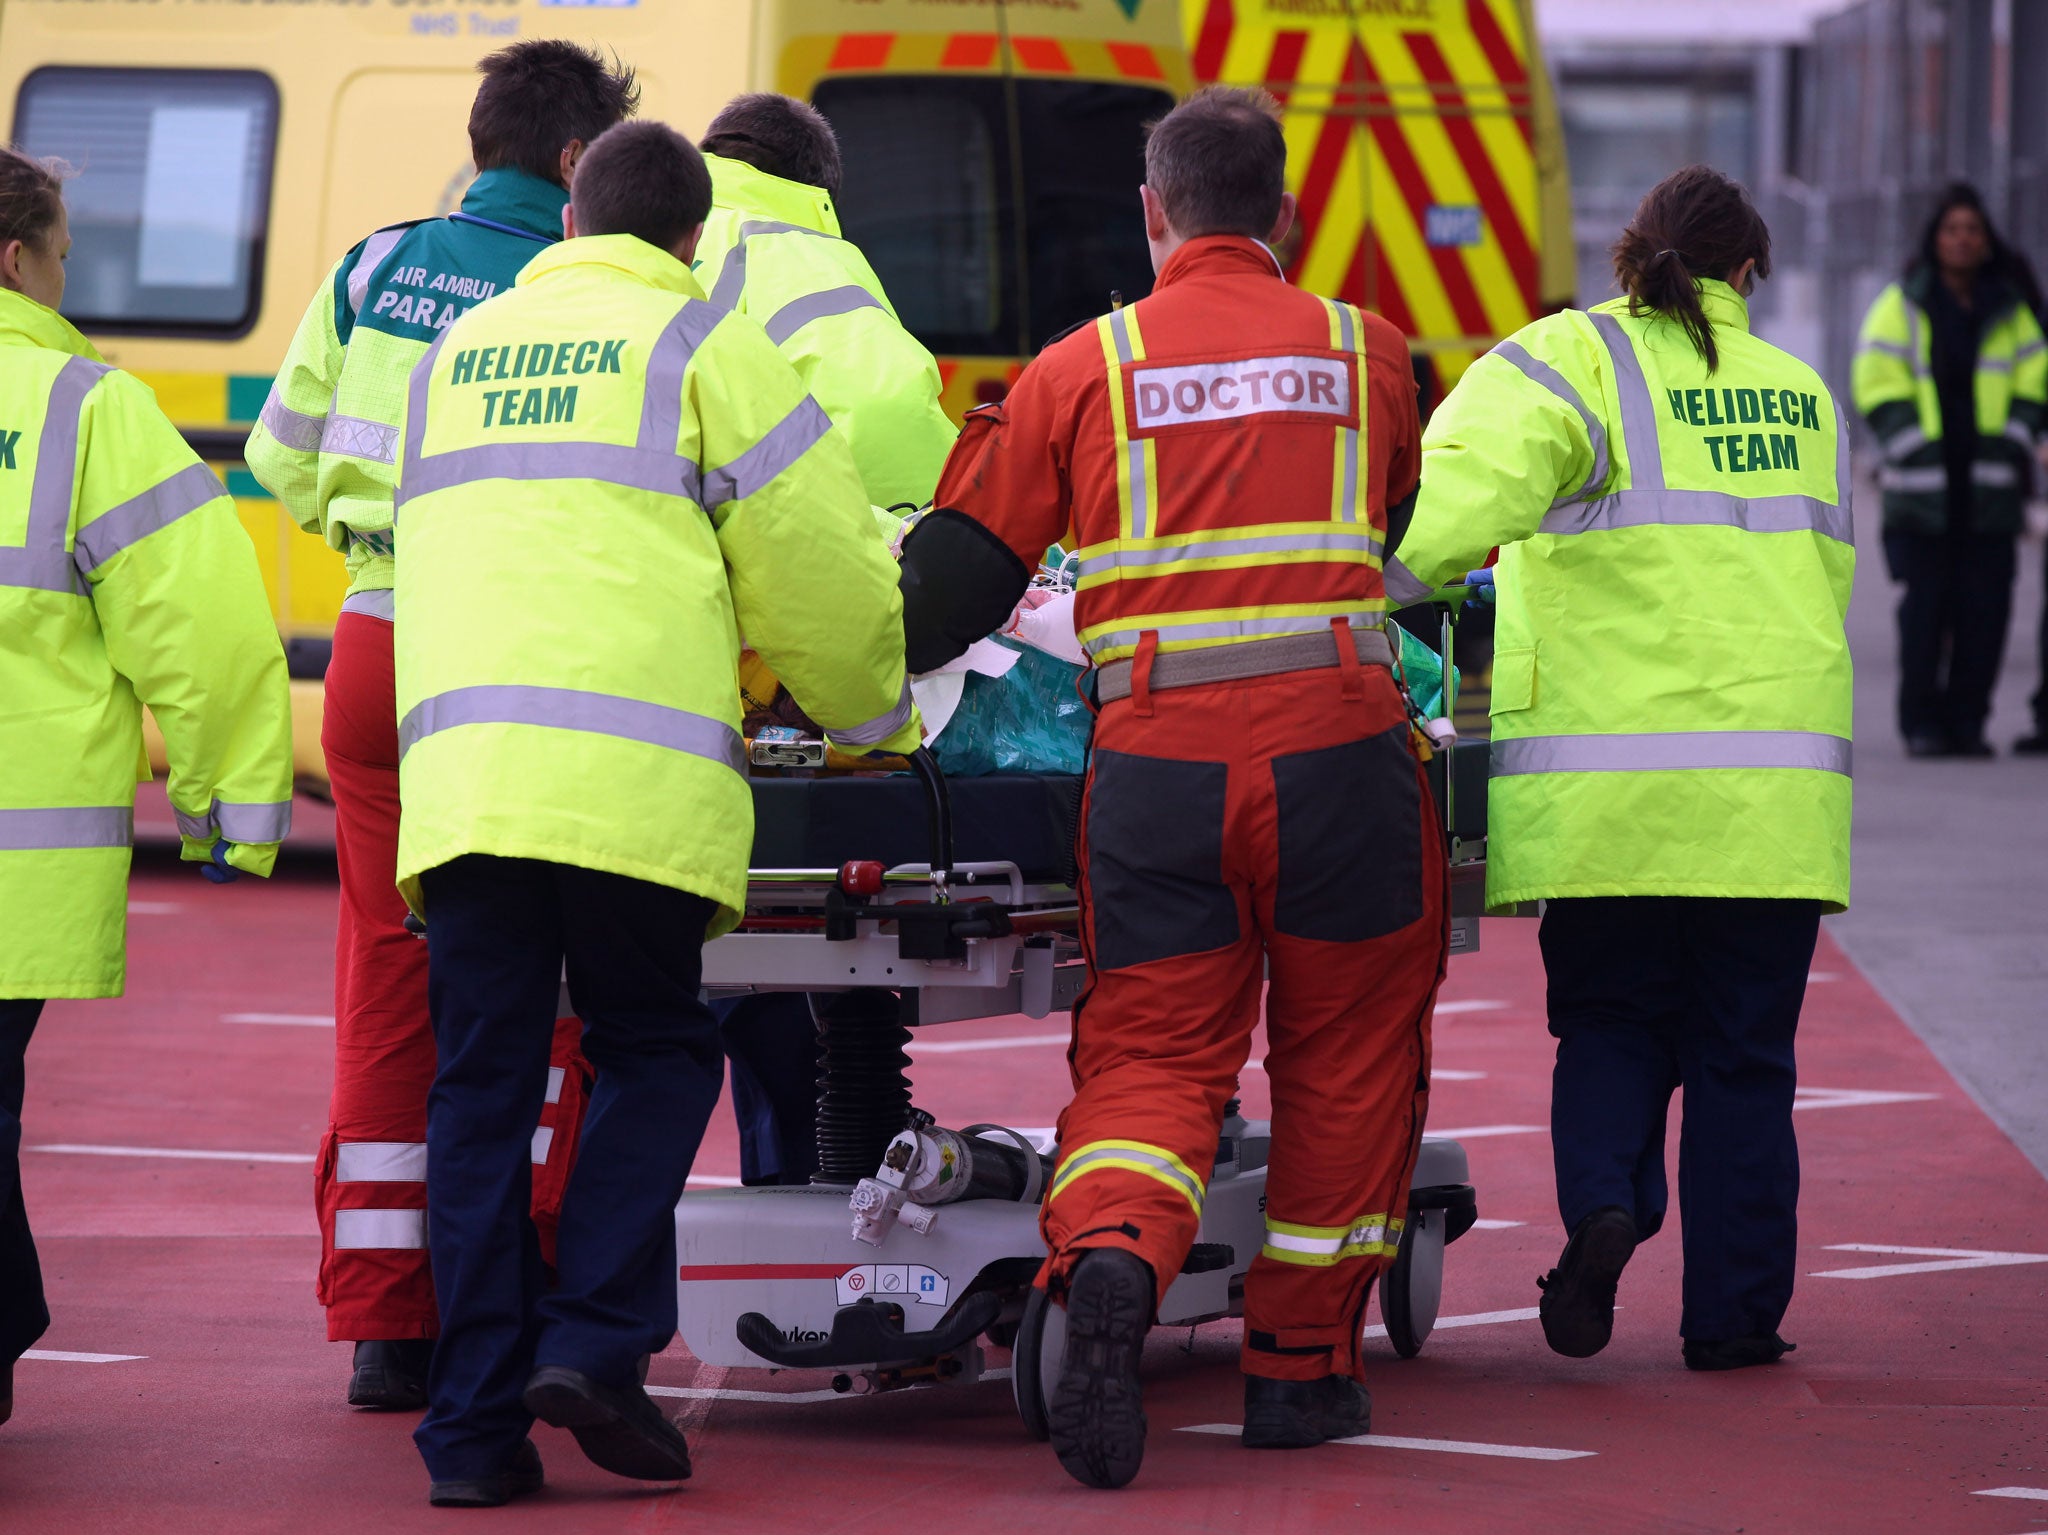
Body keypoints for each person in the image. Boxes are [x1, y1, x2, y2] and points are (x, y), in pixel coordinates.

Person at [897, 87, 1446, 1489]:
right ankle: (1300, 1369)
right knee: (1346, 1050)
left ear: (1151, 212)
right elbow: (1392, 520)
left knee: (1152, 1052)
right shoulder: (1370, 350)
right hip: (1340, 746)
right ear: (1285, 214)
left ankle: (1112, 1254)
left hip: (1156, 762)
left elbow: (957, 585)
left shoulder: (1084, 365)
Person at [391, 119, 921, 1507]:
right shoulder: (703, 346)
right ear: (692, 238)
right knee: (657, 1046)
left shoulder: (456, 353)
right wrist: (875, 718)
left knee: (481, 1091)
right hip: (630, 786)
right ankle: (593, 1342)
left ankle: (469, 1433)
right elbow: (818, 567)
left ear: (570, 221)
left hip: (465, 786)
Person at [1387, 165, 1853, 1373]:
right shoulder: (1801, 393)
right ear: (1745, 272)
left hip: (1606, 792)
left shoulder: (1564, 362)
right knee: (1743, 1058)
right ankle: (1733, 1318)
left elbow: (1437, 523)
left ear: (1628, 255)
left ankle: (1604, 1201)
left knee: (1609, 1021)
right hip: (1771, 796)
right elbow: (1824, 579)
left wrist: (1344, 596)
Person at [244, 39, 639, 1410]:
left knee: (385, 977)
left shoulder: (373, 267)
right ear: (578, 160)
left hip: (373, 643)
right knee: (543, 980)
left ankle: (386, 1322)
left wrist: (371, 535)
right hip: (513, 656)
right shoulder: (581, 288)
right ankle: (513, 1294)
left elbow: (280, 454)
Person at [0, 147, 292, 1426]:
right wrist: (225, 810)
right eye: (63, 256)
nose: (67, 281)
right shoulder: (83, 407)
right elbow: (202, 628)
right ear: (16, 258)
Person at [692, 91, 958, 1189]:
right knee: (789, 951)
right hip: (773, 660)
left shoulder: (644, 235)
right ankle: (810, 1185)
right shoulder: (808, 258)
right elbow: (894, 431)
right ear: (818, 184)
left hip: (640, 644)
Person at [1853, 183, 2047, 757]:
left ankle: (1968, 724)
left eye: (1972, 230)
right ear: (1934, 239)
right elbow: (1875, 380)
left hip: (1988, 490)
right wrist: (1915, 450)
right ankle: (1922, 725)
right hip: (1923, 492)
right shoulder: (1902, 305)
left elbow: (2035, 380)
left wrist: (2010, 445)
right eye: (1951, 230)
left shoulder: (2009, 310)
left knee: (1985, 613)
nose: (1962, 240)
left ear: (1986, 241)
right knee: (1924, 614)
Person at [695, 92, 957, 511]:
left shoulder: (642, 227)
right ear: (818, 191)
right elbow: (880, 413)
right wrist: (943, 525)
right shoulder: (791, 251)